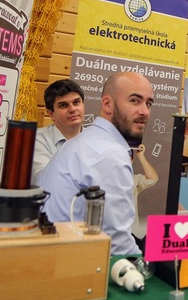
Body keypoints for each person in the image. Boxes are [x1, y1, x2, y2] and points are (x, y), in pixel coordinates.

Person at [38, 72, 153, 255]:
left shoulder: (90, 139)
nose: (145, 111)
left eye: (148, 103)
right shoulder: (110, 154)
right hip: (67, 261)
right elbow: (117, 246)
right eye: (134, 101)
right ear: (107, 104)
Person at [31, 79, 84, 183]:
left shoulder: (95, 139)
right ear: (51, 114)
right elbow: (49, 179)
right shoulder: (36, 139)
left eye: (76, 102)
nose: (73, 109)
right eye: (63, 105)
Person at [131, 144, 158, 236]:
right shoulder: (104, 178)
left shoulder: (134, 179)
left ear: (131, 160)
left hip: (131, 233)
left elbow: (152, 179)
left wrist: (141, 156)